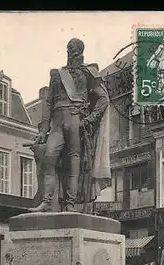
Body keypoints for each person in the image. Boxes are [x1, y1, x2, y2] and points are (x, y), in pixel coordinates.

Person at [30, 38, 111, 213]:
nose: (69, 51)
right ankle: (46, 201)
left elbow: (103, 99)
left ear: (80, 51)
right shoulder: (57, 74)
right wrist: (44, 130)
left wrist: (89, 119)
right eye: (68, 48)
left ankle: (70, 204)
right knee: (49, 158)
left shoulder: (89, 72)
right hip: (57, 122)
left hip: (76, 120)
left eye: (73, 49)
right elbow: (49, 102)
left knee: (74, 163)